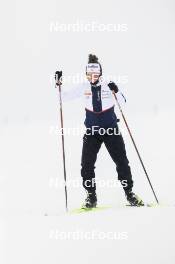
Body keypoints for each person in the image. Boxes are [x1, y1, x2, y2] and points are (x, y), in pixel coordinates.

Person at [80, 54, 144, 208]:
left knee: (121, 162)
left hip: (111, 131)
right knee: (86, 165)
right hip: (92, 132)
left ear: (100, 74)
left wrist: (117, 90)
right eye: (89, 75)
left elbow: (123, 101)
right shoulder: (83, 88)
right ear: (86, 75)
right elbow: (62, 97)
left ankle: (130, 194)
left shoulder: (108, 85)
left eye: (95, 74)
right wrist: (58, 84)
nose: (92, 77)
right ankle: (91, 197)